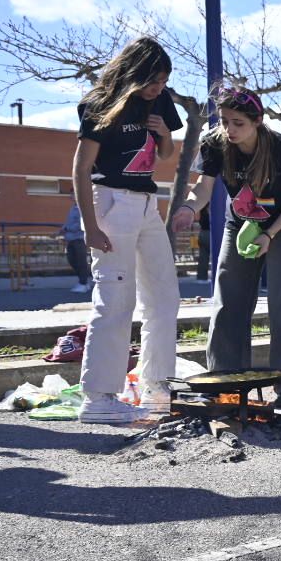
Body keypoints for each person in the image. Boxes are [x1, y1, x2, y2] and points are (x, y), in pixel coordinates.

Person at [172, 86, 281, 407]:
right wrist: (189, 209)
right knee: (228, 299)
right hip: (240, 224)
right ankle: (225, 379)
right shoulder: (214, 143)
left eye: (238, 123)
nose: (229, 129)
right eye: (225, 121)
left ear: (257, 121)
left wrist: (270, 235)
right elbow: (203, 189)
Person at [71, 36, 182, 424]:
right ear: (134, 73)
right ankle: (99, 398)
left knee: (165, 297)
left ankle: (157, 384)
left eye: (164, 82)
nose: (158, 89)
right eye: (153, 81)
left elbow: (167, 156)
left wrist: (164, 133)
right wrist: (89, 225)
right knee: (117, 300)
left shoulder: (161, 102)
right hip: (110, 202)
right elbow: (82, 168)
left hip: (148, 203)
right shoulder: (100, 103)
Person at [62, 202, 91, 293]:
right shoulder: (73, 208)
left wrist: (67, 228)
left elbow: (80, 224)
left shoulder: (81, 208)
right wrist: (63, 228)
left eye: (73, 193)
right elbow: (68, 222)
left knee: (80, 262)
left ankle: (83, 283)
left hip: (79, 239)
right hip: (70, 239)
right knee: (72, 260)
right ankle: (84, 282)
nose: (71, 196)